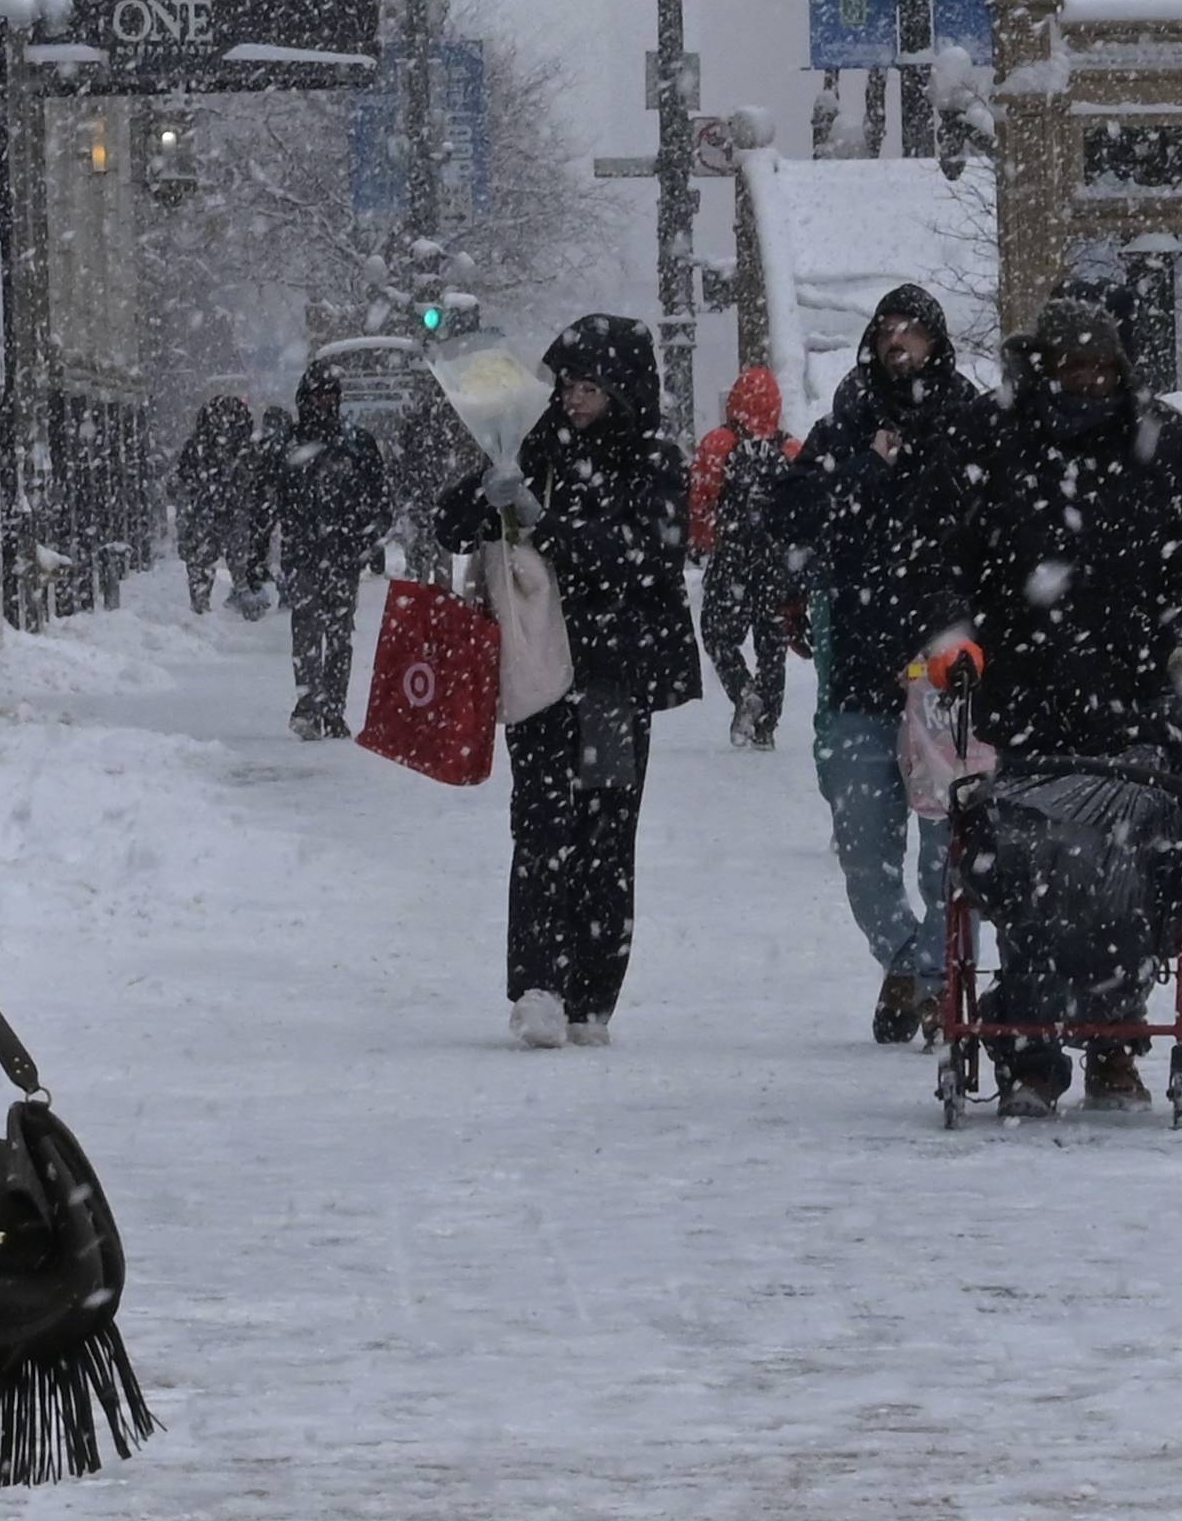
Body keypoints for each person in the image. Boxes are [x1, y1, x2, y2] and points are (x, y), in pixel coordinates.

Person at [956, 293, 1182, 1109]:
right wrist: (958, 638)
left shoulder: (1165, 446)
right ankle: (1036, 1045)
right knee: (1036, 867)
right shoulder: (999, 440)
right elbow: (953, 555)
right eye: (1071, 367)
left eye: (1098, 368)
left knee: (1130, 870)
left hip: (1133, 697)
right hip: (1027, 696)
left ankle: (1110, 1036)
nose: (1085, 383)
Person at [442, 311, 701, 1045]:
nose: (577, 400)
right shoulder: (533, 446)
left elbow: (644, 556)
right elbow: (449, 524)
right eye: (570, 385)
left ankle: (592, 994)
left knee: (607, 833)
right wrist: (485, 494)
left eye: (593, 387)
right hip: (538, 668)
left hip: (613, 676)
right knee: (540, 826)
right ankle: (538, 986)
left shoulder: (652, 460)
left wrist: (542, 522)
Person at [778, 284, 998, 1043]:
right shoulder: (843, 426)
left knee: (949, 846)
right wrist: (863, 471)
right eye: (888, 331)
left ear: (936, 341)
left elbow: (989, 529)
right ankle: (906, 959)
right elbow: (793, 515)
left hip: (947, 671)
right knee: (862, 841)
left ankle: (939, 981)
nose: (898, 343)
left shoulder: (971, 426)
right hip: (862, 669)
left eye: (913, 331)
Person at [260, 365, 392, 739]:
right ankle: (309, 704)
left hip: (342, 553)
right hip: (303, 552)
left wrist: (371, 539)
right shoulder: (288, 446)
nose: (326, 403)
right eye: (319, 396)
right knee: (306, 628)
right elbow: (267, 501)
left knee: (337, 632)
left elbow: (378, 498)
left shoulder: (355, 444)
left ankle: (333, 708)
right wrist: (258, 554)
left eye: (331, 396)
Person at [686, 366, 801, 749]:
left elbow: (701, 499)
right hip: (776, 563)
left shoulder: (719, 443)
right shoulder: (791, 449)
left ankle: (743, 689)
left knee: (717, 634)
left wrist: (703, 542)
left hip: (732, 556)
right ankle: (767, 725)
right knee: (772, 644)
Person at [168, 392, 265, 618]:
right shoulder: (243, 448)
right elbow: (255, 477)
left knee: (202, 562)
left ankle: (201, 607)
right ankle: (243, 596)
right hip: (231, 510)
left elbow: (182, 479)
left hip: (205, 511)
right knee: (238, 558)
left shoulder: (197, 446)